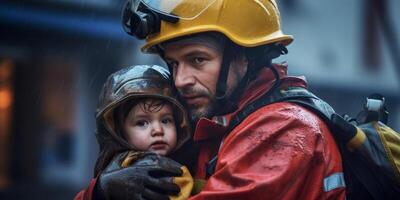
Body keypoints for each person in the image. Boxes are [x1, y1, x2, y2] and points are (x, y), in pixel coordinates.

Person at [77, 0, 347, 199]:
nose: (181, 80)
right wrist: (101, 189)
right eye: (173, 63)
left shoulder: (282, 129)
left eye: (197, 59)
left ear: (246, 56)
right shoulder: (220, 125)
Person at [74, 65, 194, 200]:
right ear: (119, 133)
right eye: (142, 123)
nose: (158, 130)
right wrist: (100, 191)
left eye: (166, 121)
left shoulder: (191, 161)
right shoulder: (115, 170)